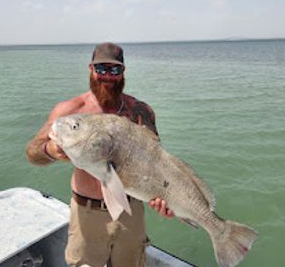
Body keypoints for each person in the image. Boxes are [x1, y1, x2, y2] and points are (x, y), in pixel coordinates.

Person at [26, 42, 174, 267]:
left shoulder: (140, 111)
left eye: (115, 70)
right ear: (90, 69)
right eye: (101, 69)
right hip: (87, 213)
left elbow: (157, 163)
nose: (108, 76)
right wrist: (51, 150)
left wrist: (166, 199)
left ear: (123, 72)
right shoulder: (70, 113)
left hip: (130, 212)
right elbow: (32, 151)